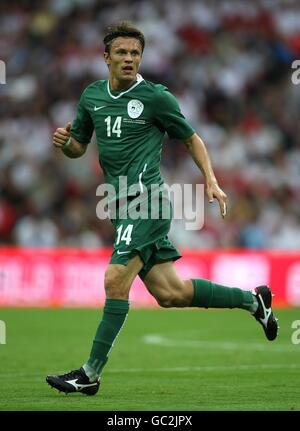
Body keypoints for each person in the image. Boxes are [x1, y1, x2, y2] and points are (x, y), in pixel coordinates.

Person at [46, 22, 278, 396]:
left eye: (135, 53)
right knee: (172, 294)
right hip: (119, 204)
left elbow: (191, 138)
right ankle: (254, 302)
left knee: (114, 280)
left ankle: (89, 374)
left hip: (147, 201)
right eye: (121, 52)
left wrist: (211, 179)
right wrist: (65, 143)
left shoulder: (155, 97)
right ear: (105, 57)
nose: (129, 59)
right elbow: (79, 146)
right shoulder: (91, 97)